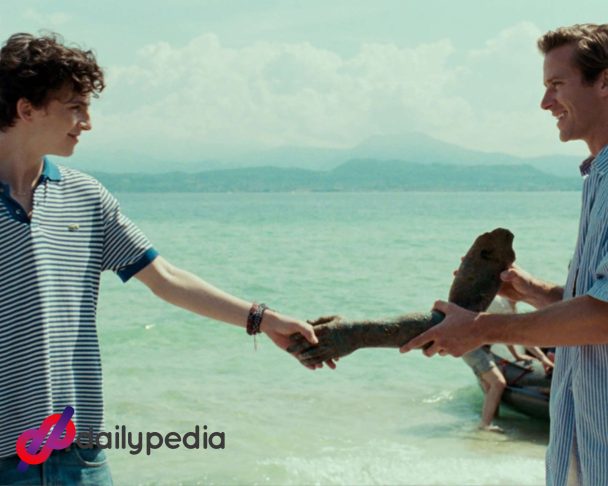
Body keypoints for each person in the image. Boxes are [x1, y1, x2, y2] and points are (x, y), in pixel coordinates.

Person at [0, 32, 322, 485]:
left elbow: (166, 279)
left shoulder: (86, 197)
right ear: (27, 109)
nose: (87, 122)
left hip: (78, 456)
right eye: (75, 106)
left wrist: (262, 319)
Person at [401, 23, 608, 486]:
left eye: (557, 84)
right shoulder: (598, 178)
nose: (545, 102)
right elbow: (595, 302)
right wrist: (531, 290)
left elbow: (604, 318)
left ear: (605, 81)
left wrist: (481, 329)